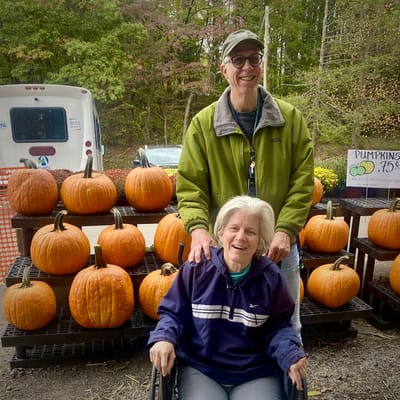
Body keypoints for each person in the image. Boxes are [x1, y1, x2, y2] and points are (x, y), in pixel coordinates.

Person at [176, 29, 314, 338]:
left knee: (286, 324)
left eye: (254, 59)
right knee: (227, 326)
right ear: (223, 69)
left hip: (278, 247)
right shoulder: (203, 125)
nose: (247, 68)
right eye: (238, 60)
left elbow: (303, 183)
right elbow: (190, 185)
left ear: (262, 65)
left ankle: (287, 382)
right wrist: (198, 229)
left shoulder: (290, 120)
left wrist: (285, 230)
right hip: (228, 247)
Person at [149, 195, 307, 400]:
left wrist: (289, 354)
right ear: (221, 232)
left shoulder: (271, 278)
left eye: (250, 232)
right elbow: (173, 313)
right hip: (203, 368)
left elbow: (279, 327)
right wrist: (164, 337)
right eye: (234, 228)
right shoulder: (196, 269)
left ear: (260, 241)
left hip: (255, 371)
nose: (240, 237)